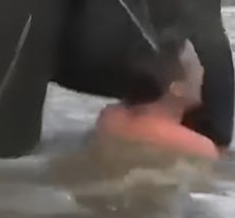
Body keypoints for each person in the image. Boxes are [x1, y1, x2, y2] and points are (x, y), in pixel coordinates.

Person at [93, 37, 221, 161]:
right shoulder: (198, 147)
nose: (202, 72)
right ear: (177, 88)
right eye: (197, 66)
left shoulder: (109, 117)